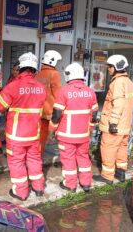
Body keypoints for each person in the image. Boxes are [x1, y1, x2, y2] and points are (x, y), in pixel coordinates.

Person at [0, 52, 46, 201]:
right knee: (34, 160)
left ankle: (21, 192)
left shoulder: (13, 86)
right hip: (34, 134)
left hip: (16, 135)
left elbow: (0, 106)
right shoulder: (41, 87)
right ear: (34, 69)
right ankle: (38, 188)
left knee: (17, 162)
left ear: (20, 67)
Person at [49, 63, 98, 193]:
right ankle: (86, 183)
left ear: (69, 75)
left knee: (68, 160)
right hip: (83, 135)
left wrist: (52, 129)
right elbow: (94, 115)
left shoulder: (64, 92)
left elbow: (56, 115)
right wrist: (90, 129)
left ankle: (70, 185)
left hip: (67, 136)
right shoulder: (90, 92)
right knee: (83, 158)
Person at [93, 55, 133, 184]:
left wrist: (113, 122)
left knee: (108, 148)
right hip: (125, 124)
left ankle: (107, 176)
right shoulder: (128, 82)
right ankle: (120, 172)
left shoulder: (117, 82)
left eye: (110, 67)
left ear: (116, 67)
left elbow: (118, 103)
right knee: (122, 147)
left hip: (114, 124)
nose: (108, 69)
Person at [35, 50, 62, 154]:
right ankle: (38, 158)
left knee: (39, 134)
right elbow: (58, 94)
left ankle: (37, 155)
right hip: (49, 111)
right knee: (45, 134)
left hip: (39, 109)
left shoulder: (38, 74)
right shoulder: (54, 74)